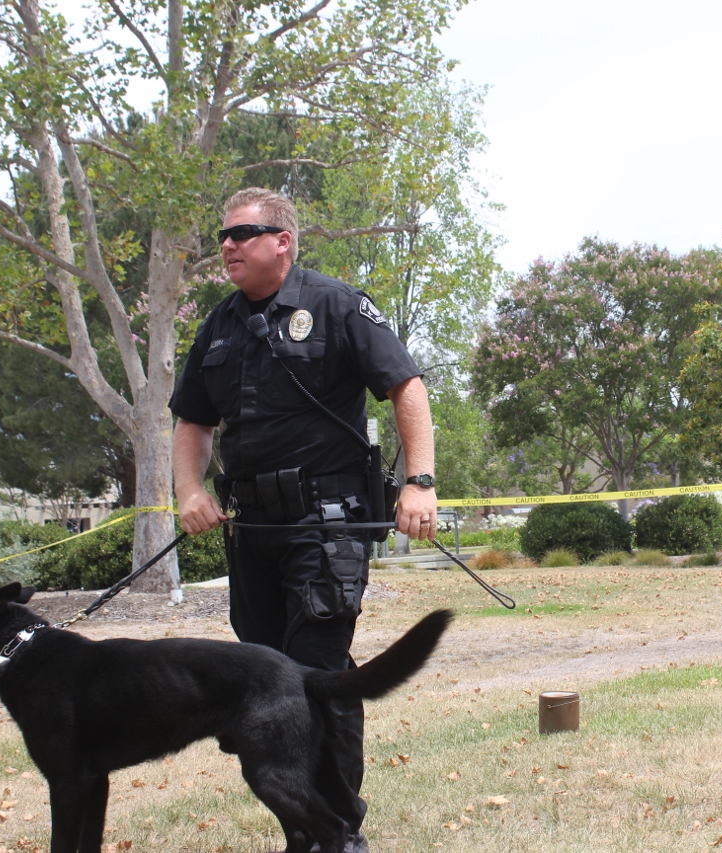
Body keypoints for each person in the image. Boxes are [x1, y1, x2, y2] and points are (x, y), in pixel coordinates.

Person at [170, 187, 438, 853]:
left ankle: (335, 832)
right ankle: (307, 827)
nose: (227, 244)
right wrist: (188, 488)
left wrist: (419, 482)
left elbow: (406, 384)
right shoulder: (221, 325)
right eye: (223, 234)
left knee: (311, 673)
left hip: (328, 525)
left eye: (243, 233)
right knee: (267, 684)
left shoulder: (337, 305)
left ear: (282, 241)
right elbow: (193, 419)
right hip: (253, 529)